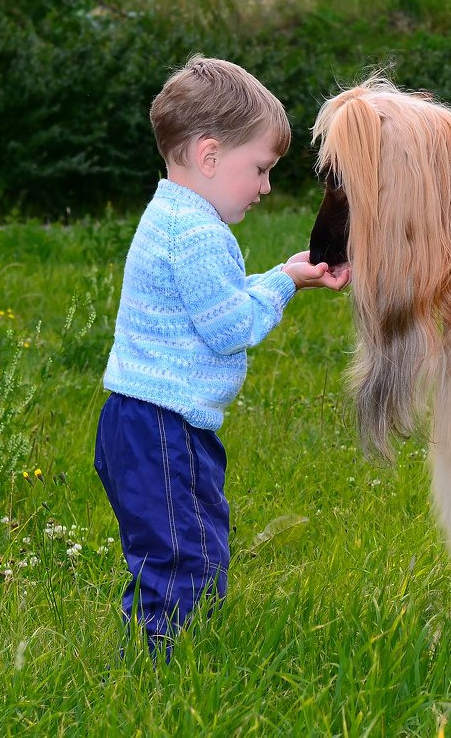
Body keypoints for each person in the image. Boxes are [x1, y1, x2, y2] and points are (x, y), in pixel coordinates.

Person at [94, 55, 349, 655]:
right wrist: (285, 284)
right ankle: (160, 664)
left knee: (193, 541)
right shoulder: (200, 235)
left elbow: (220, 305)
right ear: (209, 156)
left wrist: (284, 273)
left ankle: (182, 648)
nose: (265, 187)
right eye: (259, 169)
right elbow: (232, 326)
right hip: (162, 424)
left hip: (150, 419)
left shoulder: (173, 217)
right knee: (184, 552)